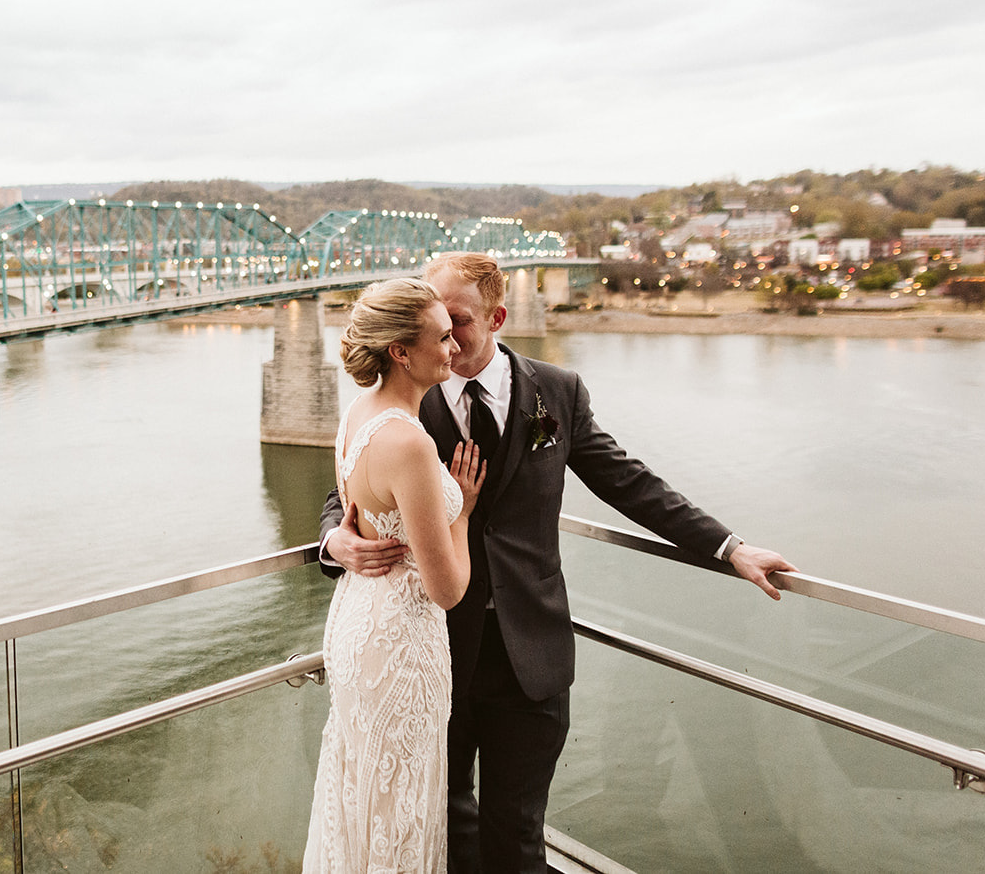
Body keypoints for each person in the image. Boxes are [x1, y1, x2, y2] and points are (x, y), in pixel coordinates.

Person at [320, 253, 796, 874]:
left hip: (531, 648)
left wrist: (728, 547)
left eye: (457, 319)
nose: (445, 333)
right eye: (434, 320)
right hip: (430, 648)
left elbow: (627, 482)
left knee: (517, 832)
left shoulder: (558, 392)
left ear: (497, 317)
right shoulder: (403, 401)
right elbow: (350, 487)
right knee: (440, 820)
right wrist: (335, 540)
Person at [304, 278, 487, 874]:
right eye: (440, 338)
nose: (453, 349)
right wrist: (460, 506)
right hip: (403, 645)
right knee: (401, 805)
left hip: (360, 625)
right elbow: (448, 589)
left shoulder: (360, 412)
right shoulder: (408, 441)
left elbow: (355, 507)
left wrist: (339, 537)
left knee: (363, 788)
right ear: (400, 352)